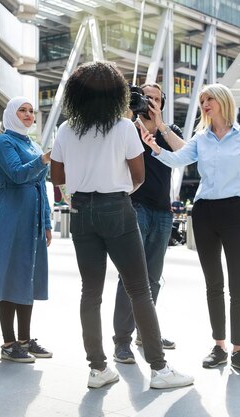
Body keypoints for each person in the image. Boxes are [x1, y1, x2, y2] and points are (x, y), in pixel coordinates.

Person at [50, 61, 193, 390]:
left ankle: (98, 368)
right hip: (117, 207)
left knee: (91, 292)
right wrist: (117, 192)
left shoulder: (66, 128)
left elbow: (57, 178)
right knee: (140, 289)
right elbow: (138, 175)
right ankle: (159, 369)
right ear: (117, 93)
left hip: (82, 212)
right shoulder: (124, 127)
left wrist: (79, 191)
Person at [142, 83, 240, 375]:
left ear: (223, 101)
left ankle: (239, 350)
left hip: (237, 212)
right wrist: (155, 146)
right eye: (202, 100)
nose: (205, 104)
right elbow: (178, 159)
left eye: (209, 98)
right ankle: (219, 346)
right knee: (213, 284)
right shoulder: (201, 139)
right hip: (204, 213)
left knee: (239, 286)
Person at [0, 96, 53, 364]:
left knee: (27, 275)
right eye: (22, 110)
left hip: (32, 218)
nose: (29, 115)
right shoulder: (3, 141)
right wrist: (43, 159)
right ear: (10, 114)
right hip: (11, 215)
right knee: (9, 275)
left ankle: (24, 340)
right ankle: (8, 343)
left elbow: (41, 186)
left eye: (31, 111)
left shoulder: (32, 143)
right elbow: (18, 174)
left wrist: (47, 222)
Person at [112, 82, 185, 365]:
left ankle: (146, 333)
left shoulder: (170, 132)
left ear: (162, 104)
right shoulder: (127, 128)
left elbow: (182, 156)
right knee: (130, 276)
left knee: (153, 278)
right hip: (134, 207)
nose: (151, 103)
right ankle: (122, 341)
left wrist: (161, 124)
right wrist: (131, 115)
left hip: (163, 212)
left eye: (156, 99)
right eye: (146, 98)